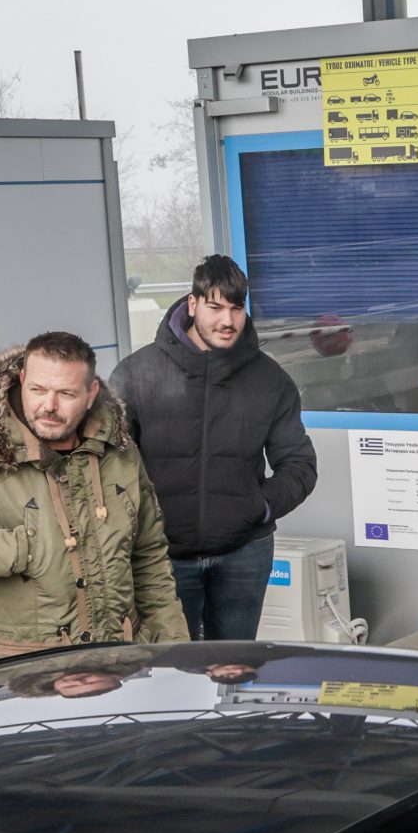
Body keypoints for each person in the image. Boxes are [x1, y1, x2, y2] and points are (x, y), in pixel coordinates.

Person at [0, 331, 187, 655]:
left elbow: (149, 558)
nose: (48, 406)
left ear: (91, 394)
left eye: (65, 393)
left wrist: (176, 654)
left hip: (121, 660)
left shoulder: (121, 454)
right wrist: (22, 547)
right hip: (33, 675)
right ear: (22, 381)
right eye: (37, 390)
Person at [107, 254, 317, 641]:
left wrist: (259, 506)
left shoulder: (270, 380)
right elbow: (107, 467)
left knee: (233, 670)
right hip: (162, 557)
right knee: (170, 671)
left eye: (236, 308)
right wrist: (137, 526)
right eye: (215, 306)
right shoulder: (136, 375)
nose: (227, 320)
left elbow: (299, 464)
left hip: (244, 553)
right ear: (192, 304)